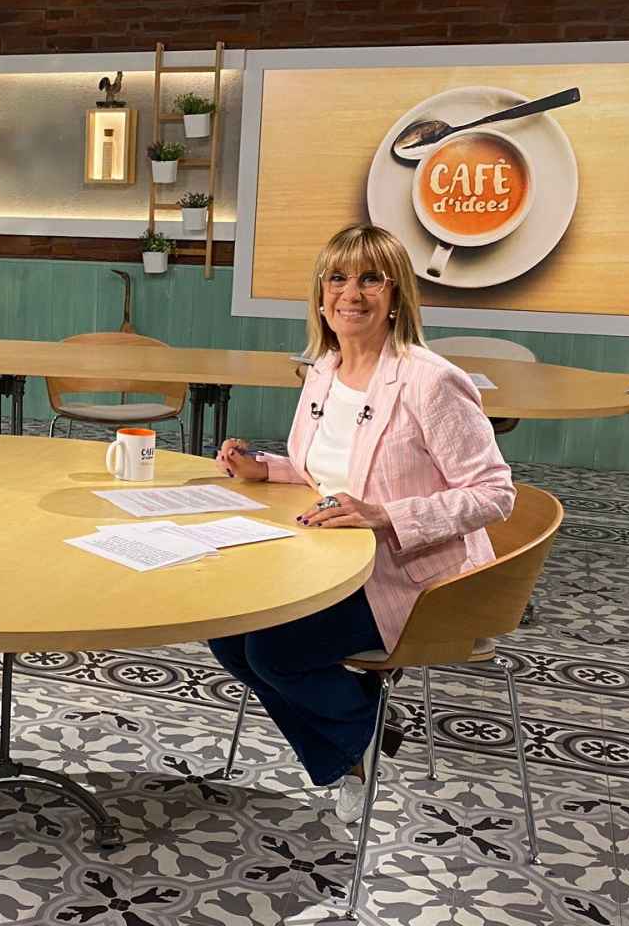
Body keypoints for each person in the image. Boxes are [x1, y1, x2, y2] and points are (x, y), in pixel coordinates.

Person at [212, 223, 514, 823]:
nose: (351, 294)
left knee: (273, 650)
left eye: (371, 279)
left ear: (396, 295)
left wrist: (385, 515)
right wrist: (263, 468)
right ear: (321, 296)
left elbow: (494, 493)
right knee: (227, 631)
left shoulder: (431, 380)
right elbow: (331, 473)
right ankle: (357, 743)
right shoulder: (323, 368)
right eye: (338, 279)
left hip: (414, 579)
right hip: (331, 560)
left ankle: (359, 730)